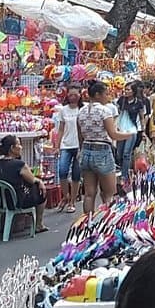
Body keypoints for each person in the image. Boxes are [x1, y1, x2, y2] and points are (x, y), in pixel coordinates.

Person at [78, 80, 134, 213]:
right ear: (97, 95)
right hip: (102, 151)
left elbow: (80, 135)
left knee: (89, 194)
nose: (107, 97)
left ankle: (87, 224)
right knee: (110, 194)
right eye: (105, 94)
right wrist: (128, 135)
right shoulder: (105, 111)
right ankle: (108, 224)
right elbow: (113, 134)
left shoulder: (81, 111)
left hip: (86, 150)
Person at [0, 135, 48, 233]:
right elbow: (32, 180)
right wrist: (40, 182)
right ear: (12, 148)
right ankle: (39, 224)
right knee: (41, 191)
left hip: (1, 202)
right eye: (19, 144)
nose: (21, 147)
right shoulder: (19, 165)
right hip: (17, 201)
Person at [54, 85, 83, 213]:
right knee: (62, 171)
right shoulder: (63, 110)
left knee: (76, 174)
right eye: (70, 94)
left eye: (75, 94)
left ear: (80, 95)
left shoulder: (83, 109)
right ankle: (65, 196)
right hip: (66, 145)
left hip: (79, 146)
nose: (72, 97)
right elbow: (60, 129)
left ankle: (72, 200)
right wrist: (57, 146)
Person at [118, 81, 149, 172]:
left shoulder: (138, 103)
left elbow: (142, 117)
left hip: (132, 131)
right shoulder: (121, 100)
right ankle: (121, 169)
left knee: (126, 153)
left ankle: (125, 175)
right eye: (125, 89)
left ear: (133, 91)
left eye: (128, 90)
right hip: (120, 130)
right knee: (119, 153)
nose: (126, 91)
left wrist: (143, 131)